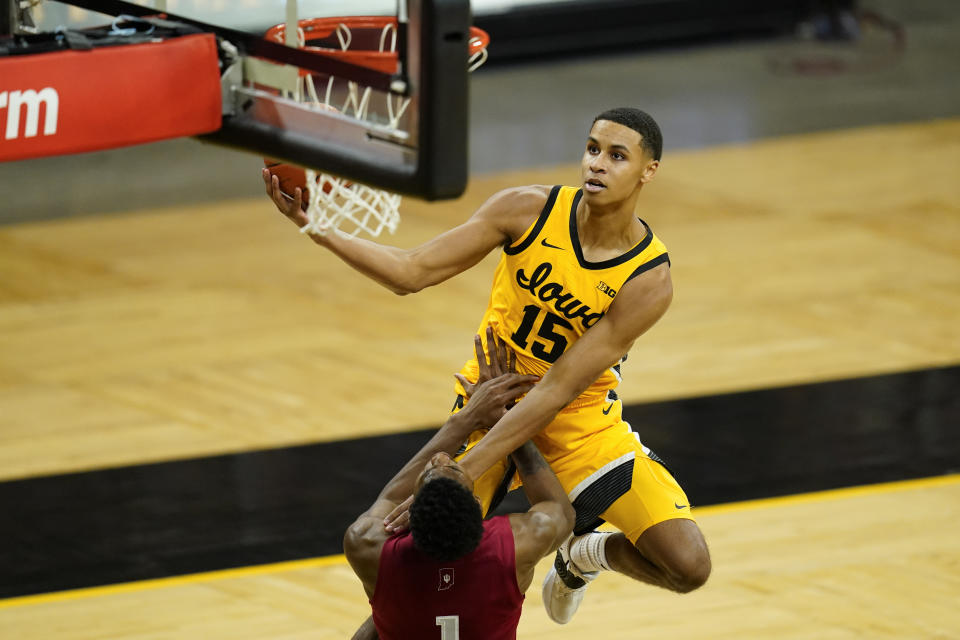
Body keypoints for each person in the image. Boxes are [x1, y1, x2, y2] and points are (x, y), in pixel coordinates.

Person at [264, 107, 711, 625]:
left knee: (688, 565)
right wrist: (316, 227)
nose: (598, 164)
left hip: (578, 423)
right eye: (592, 149)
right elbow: (411, 272)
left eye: (617, 156)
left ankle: (585, 556)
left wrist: (459, 473)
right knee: (416, 570)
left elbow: (557, 388)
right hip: (485, 407)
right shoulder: (525, 210)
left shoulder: (648, 280)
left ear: (647, 171)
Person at [343, 333, 575, 640]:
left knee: (376, 625)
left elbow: (389, 497)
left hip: (409, 606)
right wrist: (506, 422)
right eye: (453, 466)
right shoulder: (516, 546)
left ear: (407, 520)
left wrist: (466, 419)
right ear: (478, 507)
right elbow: (559, 510)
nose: (440, 458)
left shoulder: (366, 545)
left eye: (431, 469)